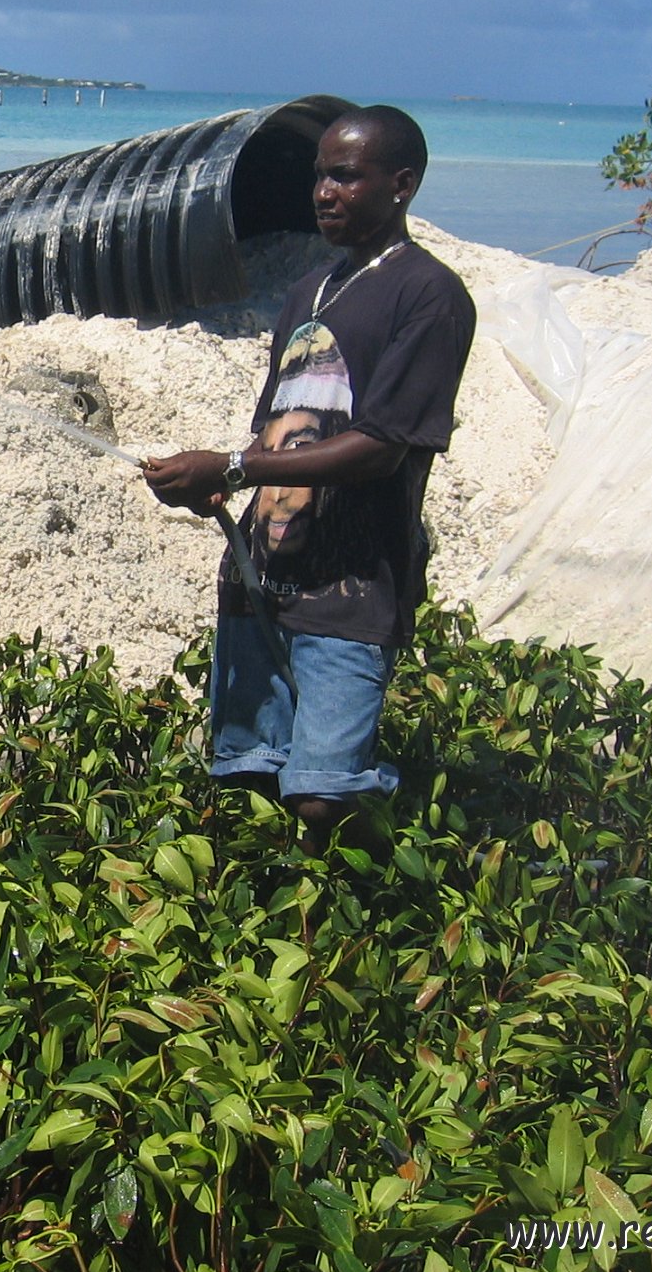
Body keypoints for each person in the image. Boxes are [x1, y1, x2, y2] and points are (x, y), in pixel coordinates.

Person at [142, 105, 475, 856]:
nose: (324, 191)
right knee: (252, 776)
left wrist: (230, 465)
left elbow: (380, 448)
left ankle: (407, 881)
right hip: (263, 573)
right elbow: (281, 427)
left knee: (324, 795)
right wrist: (220, 487)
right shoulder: (308, 294)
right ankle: (305, 919)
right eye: (320, 174)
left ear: (403, 185)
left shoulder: (429, 296)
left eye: (346, 176)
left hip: (352, 584)